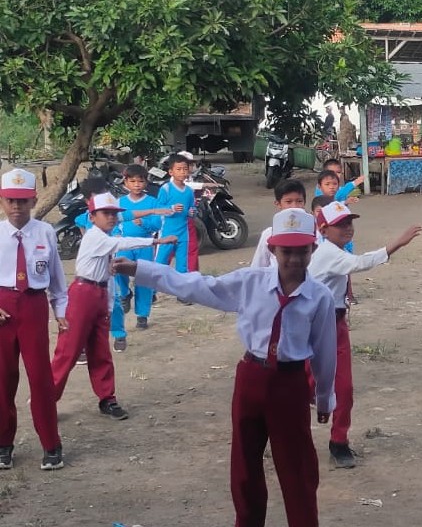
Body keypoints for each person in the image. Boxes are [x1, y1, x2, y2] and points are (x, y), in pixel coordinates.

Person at [113, 208, 337, 527]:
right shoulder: (250, 282)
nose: (294, 259)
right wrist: (141, 269)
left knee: (297, 465)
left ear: (313, 248)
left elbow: (325, 352)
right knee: (244, 463)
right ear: (272, 249)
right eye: (286, 251)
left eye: (302, 251)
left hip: (290, 384)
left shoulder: (320, 297)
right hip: (251, 378)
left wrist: (325, 399)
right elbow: (197, 286)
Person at [309, 201, 422, 468]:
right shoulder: (327, 253)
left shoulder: (334, 250)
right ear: (323, 230)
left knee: (344, 387)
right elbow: (360, 263)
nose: (348, 228)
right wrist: (397, 243)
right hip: (314, 327)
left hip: (335, 325)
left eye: (349, 223)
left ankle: (339, 441)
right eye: (340, 225)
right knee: (306, 385)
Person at [51, 193, 177, 421]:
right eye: (105, 213)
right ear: (92, 217)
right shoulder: (95, 236)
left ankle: (107, 398)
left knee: (101, 350)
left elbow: (107, 275)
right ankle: (47, 399)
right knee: (68, 350)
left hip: (98, 292)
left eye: (113, 213)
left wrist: (109, 305)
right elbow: (121, 242)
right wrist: (156, 241)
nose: (111, 217)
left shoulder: (105, 234)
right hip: (82, 294)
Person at [0, 168, 68, 471]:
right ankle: (3, 443)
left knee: (40, 378)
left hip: (33, 305)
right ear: (2, 201)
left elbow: (56, 276)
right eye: (11, 200)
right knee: (3, 379)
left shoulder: (45, 232)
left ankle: (51, 445)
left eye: (23, 201)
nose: (17, 207)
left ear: (34, 200)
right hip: (2, 309)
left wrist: (61, 311)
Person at [115, 164, 174, 339]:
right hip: (124, 244)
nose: (137, 185)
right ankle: (124, 293)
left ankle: (142, 315)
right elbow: (113, 222)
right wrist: (116, 234)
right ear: (125, 182)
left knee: (144, 278)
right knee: (118, 269)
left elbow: (157, 224)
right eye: (132, 181)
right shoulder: (120, 202)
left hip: (146, 245)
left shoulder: (152, 202)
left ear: (146, 183)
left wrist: (145, 223)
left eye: (140, 181)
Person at [155, 154, 196, 301]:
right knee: (160, 262)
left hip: (183, 233)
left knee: (182, 264)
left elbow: (193, 208)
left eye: (185, 169)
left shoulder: (189, 191)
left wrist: (192, 212)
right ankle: (150, 291)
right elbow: (158, 208)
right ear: (171, 172)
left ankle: (182, 293)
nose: (182, 172)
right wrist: (171, 209)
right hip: (167, 232)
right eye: (179, 169)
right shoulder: (166, 189)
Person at [250, 179, 308, 269]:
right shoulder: (269, 234)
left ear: (304, 202)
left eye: (299, 201)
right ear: (278, 204)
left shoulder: (311, 231)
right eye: (288, 202)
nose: (294, 206)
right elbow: (257, 267)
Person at [178, 151, 201, 272]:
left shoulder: (188, 186)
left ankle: (191, 276)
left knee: (191, 249)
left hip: (188, 222)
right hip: (173, 223)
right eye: (180, 168)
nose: (184, 170)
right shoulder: (167, 188)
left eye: (189, 166)